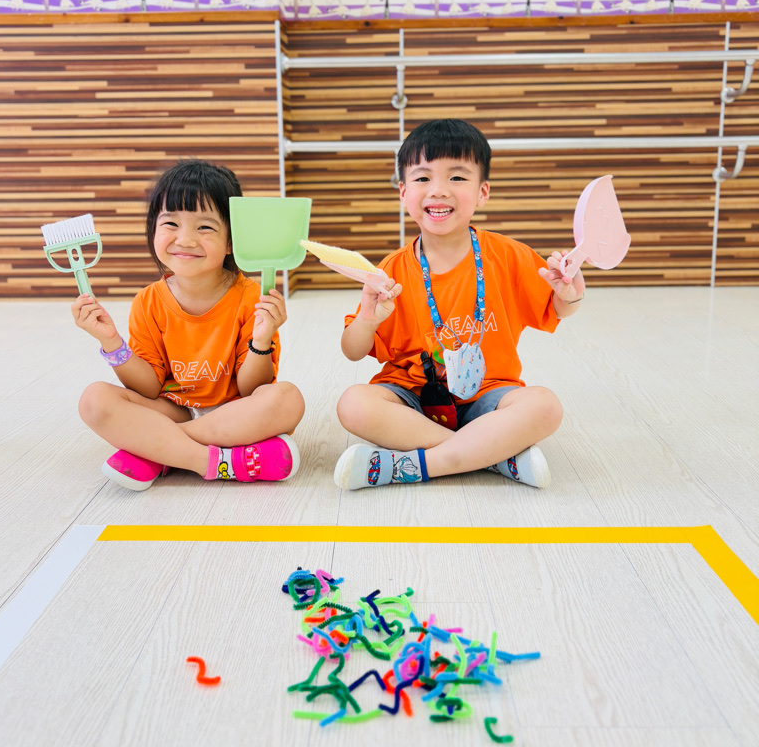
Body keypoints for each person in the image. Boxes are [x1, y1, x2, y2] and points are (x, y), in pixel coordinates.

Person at [334, 118, 584, 491]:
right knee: (353, 403)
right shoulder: (392, 269)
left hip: (489, 394)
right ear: (403, 192)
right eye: (422, 178)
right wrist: (368, 320)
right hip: (413, 398)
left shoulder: (509, 255)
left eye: (456, 177)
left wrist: (570, 295)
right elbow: (353, 350)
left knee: (544, 405)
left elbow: (556, 308)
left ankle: (416, 465)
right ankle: (491, 455)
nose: (439, 190)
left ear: (482, 192)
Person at [72, 159, 305, 491]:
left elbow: (253, 389)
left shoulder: (253, 297)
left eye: (204, 227)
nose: (185, 239)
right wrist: (111, 342)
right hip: (174, 410)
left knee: (287, 399)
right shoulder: (148, 301)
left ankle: (158, 450)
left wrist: (262, 339)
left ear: (232, 241)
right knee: (94, 400)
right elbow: (148, 388)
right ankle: (215, 461)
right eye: (170, 223)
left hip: (236, 413)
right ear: (153, 229)